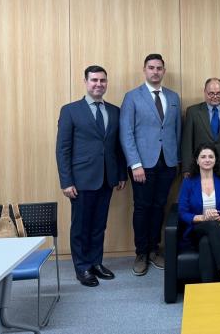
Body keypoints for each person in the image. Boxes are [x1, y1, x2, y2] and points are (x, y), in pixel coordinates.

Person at [56, 65, 127, 287]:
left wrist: (121, 173)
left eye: (102, 80)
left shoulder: (114, 111)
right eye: (94, 80)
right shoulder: (70, 110)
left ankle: (96, 262)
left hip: (107, 178)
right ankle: (82, 267)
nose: (98, 84)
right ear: (86, 82)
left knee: (99, 225)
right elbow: (63, 149)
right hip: (81, 179)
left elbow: (117, 147)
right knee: (81, 227)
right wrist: (66, 181)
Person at [120, 53, 182, 276]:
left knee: (159, 206)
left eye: (159, 68)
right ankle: (141, 253)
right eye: (151, 67)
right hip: (142, 165)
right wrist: (135, 164)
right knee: (142, 207)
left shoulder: (173, 97)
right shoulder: (132, 97)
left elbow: (176, 129)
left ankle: (155, 249)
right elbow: (126, 133)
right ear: (144, 70)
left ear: (164, 71)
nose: (155, 71)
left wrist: (177, 160)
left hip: (167, 163)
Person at [178, 144, 220, 282]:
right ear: (197, 160)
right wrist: (203, 217)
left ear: (215, 160)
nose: (207, 159)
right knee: (211, 225)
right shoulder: (188, 182)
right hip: (196, 228)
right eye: (203, 156)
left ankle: (207, 288)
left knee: (205, 243)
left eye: (211, 156)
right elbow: (182, 212)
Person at [181, 78, 220, 185]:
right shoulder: (193, 112)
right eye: (211, 93)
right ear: (204, 92)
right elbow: (187, 142)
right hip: (200, 166)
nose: (215, 96)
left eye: (218, 93)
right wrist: (187, 168)